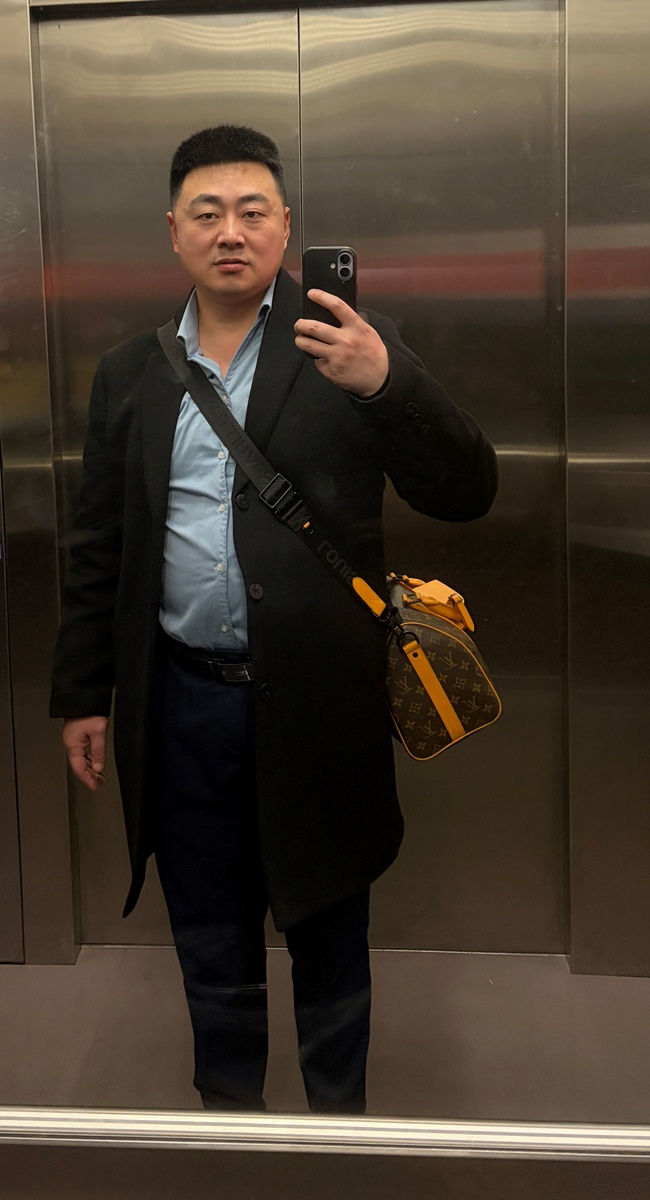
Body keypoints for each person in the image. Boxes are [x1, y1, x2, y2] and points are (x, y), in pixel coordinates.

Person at [51, 125, 498, 1114]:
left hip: (320, 705)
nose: (230, 232)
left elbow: (467, 491)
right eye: (207, 213)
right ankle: (230, 1126)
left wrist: (387, 385)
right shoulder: (130, 372)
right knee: (210, 941)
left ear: (285, 227)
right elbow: (99, 544)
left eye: (252, 211)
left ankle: (339, 1132)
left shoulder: (346, 345)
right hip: (184, 706)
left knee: (331, 939)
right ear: (173, 232)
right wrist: (84, 691)